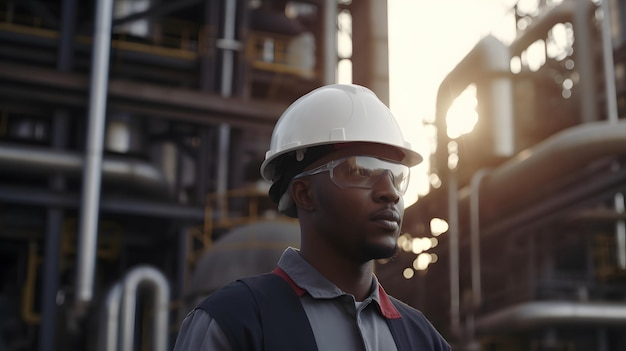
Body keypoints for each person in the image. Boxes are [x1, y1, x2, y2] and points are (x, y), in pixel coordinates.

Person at [173, 84, 451, 351]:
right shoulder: (234, 322)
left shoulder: (422, 338)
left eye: (398, 176)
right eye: (361, 171)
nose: (390, 193)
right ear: (304, 194)